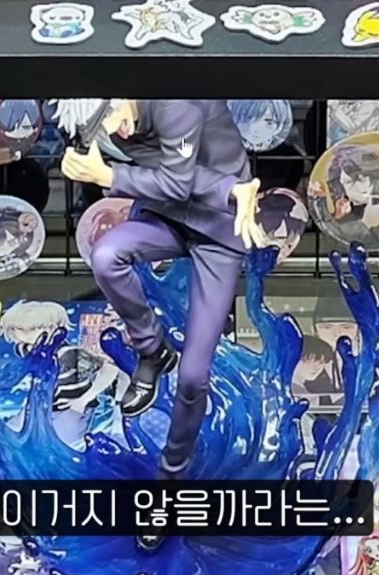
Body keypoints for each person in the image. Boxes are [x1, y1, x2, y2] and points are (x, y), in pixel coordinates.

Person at [53, 99, 265, 551]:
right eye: (103, 129)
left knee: (193, 377)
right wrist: (229, 187)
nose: (117, 134)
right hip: (166, 213)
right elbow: (169, 179)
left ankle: (168, 487)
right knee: (106, 256)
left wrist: (107, 175)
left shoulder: (176, 103)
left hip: (218, 228)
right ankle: (152, 349)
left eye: (112, 121)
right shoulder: (104, 117)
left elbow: (178, 181)